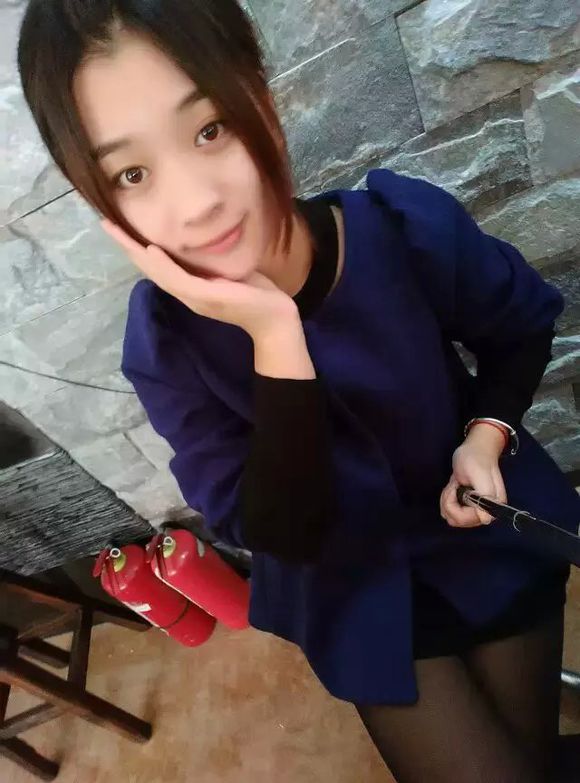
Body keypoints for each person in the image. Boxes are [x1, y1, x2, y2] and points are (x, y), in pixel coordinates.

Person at [17, 2, 580, 781]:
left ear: (260, 95)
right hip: (353, 589)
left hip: (480, 524)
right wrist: (275, 336)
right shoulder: (167, 347)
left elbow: (520, 326)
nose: (196, 203)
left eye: (210, 129)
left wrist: (486, 433)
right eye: (132, 174)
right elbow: (275, 528)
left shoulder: (401, 228)